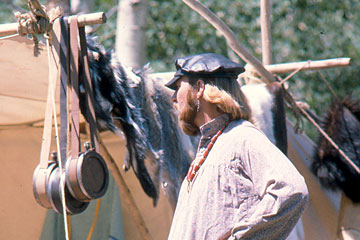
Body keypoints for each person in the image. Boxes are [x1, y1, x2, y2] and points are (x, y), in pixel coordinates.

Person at [165, 53, 309, 240]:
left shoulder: (242, 136)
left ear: (199, 88)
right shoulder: (211, 148)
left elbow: (291, 190)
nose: (174, 98)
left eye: (178, 87)